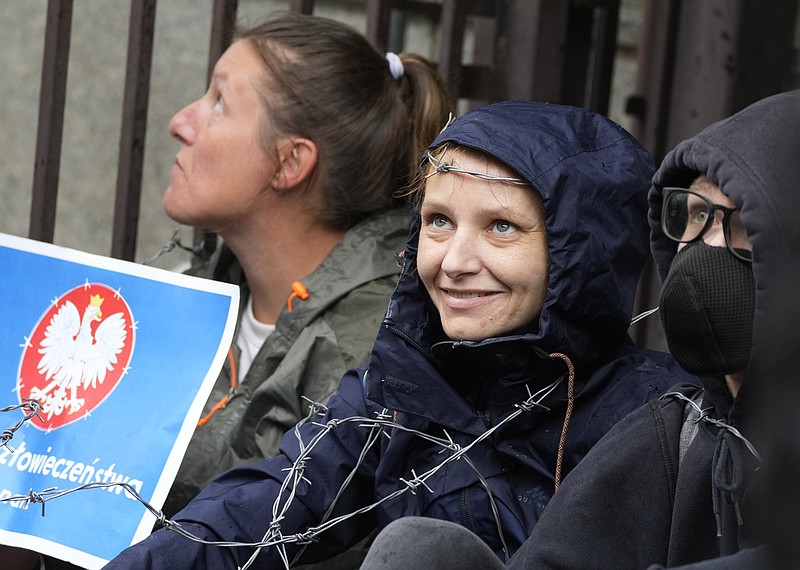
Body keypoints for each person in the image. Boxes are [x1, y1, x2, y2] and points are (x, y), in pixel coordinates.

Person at [103, 99, 695, 569]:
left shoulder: (657, 422)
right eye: (439, 221)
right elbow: (266, 508)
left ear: (581, 255)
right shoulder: (406, 378)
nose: (454, 260)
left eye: (501, 228)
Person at [357, 89, 800, 570]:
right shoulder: (676, 432)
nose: (706, 248)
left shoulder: (640, 403)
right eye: (696, 216)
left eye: (742, 223)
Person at [160, 11, 454, 517]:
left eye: (220, 103)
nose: (179, 123)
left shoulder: (377, 358)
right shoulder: (185, 295)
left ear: (290, 163)